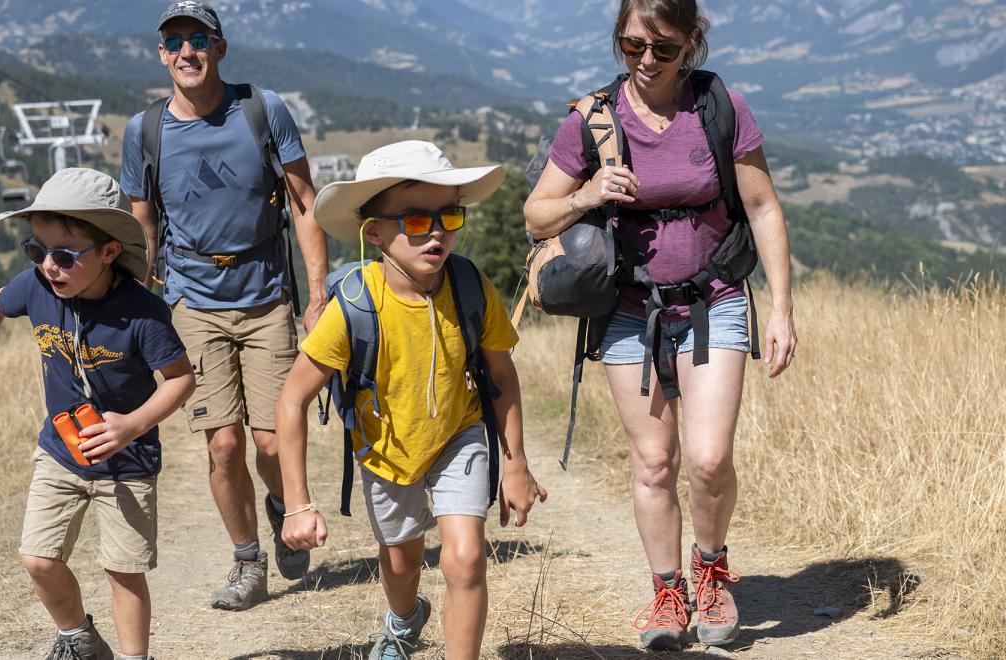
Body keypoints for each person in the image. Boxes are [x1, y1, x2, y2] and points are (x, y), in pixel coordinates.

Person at [524, 0, 798, 651]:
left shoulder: (719, 108)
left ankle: (711, 569)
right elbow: (536, 216)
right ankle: (667, 592)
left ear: (690, 43)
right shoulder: (592, 120)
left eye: (663, 48)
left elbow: (762, 207)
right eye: (632, 46)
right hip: (627, 311)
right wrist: (589, 193)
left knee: (708, 458)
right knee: (653, 462)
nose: (646, 61)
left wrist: (782, 308)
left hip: (714, 300)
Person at [276, 141, 547, 660]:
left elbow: (501, 374)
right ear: (373, 232)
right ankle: (404, 619)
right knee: (401, 564)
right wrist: (297, 505)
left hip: (459, 433)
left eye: (449, 216)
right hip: (386, 451)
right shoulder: (354, 305)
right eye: (417, 220)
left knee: (465, 559)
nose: (437, 232)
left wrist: (515, 464)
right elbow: (292, 400)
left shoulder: (469, 285)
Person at [0, 167, 195, 660]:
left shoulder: (143, 313)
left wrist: (132, 425)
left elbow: (181, 380)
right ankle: (78, 638)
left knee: (123, 572)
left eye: (65, 256)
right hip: (60, 454)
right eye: (38, 251)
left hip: (128, 463)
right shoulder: (37, 287)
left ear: (109, 252)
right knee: (38, 559)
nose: (49, 266)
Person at [119, 1, 329, 610]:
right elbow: (142, 227)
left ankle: (282, 504)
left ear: (220, 47)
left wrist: (317, 294)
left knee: (272, 442)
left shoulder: (263, 109)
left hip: (266, 296)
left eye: (198, 39)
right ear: (162, 54)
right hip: (191, 301)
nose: (186, 51)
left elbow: (305, 203)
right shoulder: (144, 131)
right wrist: (135, 309)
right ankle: (247, 560)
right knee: (224, 444)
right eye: (174, 41)